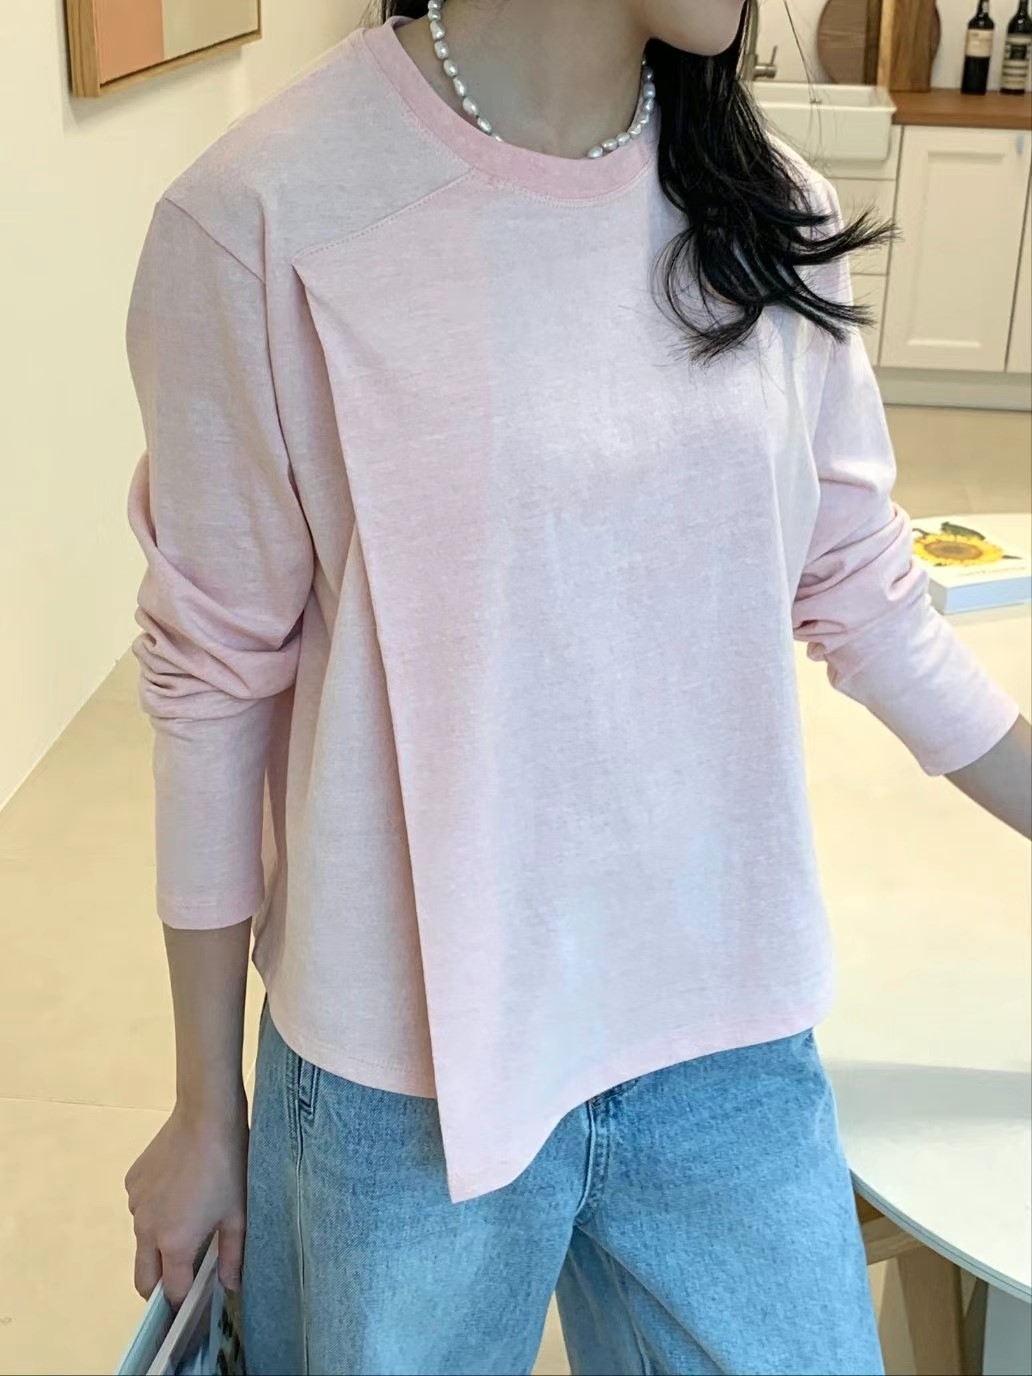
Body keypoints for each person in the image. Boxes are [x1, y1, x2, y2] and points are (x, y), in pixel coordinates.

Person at [121, 2, 1032, 1373]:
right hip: (401, 1074)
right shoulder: (259, 214)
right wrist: (207, 1105)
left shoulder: (765, 202)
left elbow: (863, 587)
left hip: (724, 1029)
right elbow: (212, 676)